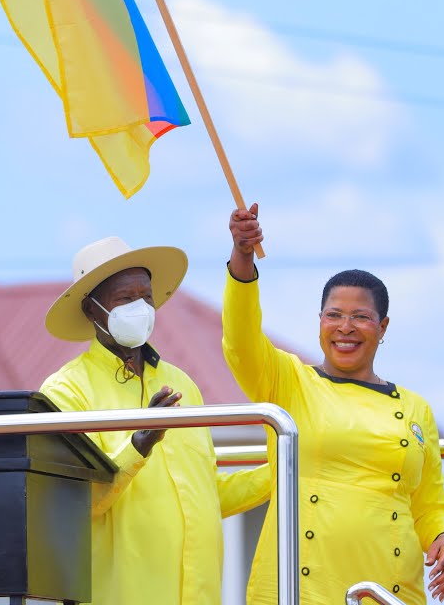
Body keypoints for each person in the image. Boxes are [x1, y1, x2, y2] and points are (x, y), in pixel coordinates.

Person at [223, 204, 444, 605]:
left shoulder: (416, 407)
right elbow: (241, 340)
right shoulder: (291, 380)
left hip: (392, 589)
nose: (345, 328)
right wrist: (242, 257)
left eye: (361, 317)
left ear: (383, 327)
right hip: (302, 590)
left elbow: (430, 504)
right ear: (319, 320)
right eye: (333, 315)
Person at [40, 235, 272, 605]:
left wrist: (284, 470)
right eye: (125, 299)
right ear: (92, 309)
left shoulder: (182, 384)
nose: (140, 308)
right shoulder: (67, 391)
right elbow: (76, 502)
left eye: (146, 297)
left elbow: (206, 494)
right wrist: (138, 445)